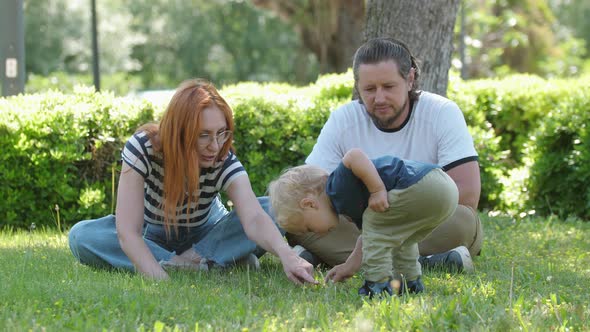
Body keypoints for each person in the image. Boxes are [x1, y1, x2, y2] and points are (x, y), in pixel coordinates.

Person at [68, 79, 316, 284]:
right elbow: (127, 233)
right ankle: (209, 263)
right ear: (180, 131)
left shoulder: (222, 157)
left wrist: (288, 256)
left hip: (207, 233)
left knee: (274, 207)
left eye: (222, 132)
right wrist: (161, 278)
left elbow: (253, 217)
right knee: (82, 236)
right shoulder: (142, 148)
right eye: (204, 135)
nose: (215, 145)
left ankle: (206, 258)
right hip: (152, 235)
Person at [287, 37, 483, 278]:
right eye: (369, 89)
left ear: (410, 79)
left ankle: (333, 257)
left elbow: (467, 194)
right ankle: (434, 262)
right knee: (298, 219)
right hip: (362, 225)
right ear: (357, 86)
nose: (379, 98)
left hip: (422, 221)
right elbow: (309, 189)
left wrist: (388, 211)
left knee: (463, 221)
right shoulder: (344, 119)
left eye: (388, 87)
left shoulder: (442, 112)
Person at [269, 149, 459, 297]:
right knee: (401, 240)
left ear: (309, 204)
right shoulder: (349, 203)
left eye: (309, 227)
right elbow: (367, 238)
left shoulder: (336, 187)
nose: (315, 233)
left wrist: (377, 190)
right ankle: (408, 283)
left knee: (376, 226)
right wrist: (349, 265)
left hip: (421, 185)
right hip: (444, 189)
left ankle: (377, 286)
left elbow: (354, 155)